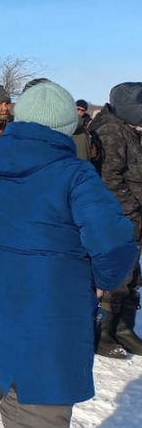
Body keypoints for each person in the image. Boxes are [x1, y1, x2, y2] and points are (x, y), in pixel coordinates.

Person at [0, 81, 136, 428]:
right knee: (43, 406)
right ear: (67, 126)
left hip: (0, 301)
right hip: (53, 312)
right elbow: (115, 242)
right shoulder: (74, 174)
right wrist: (101, 282)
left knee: (15, 393)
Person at [88, 82, 142, 358]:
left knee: (133, 273)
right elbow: (109, 179)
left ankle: (124, 328)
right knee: (118, 273)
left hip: (133, 213)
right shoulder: (110, 131)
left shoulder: (129, 129)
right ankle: (104, 334)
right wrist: (132, 208)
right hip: (118, 215)